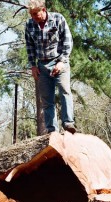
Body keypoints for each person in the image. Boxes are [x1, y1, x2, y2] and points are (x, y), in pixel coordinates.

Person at [25, 0, 75, 134]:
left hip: (59, 61)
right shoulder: (29, 25)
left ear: (44, 9)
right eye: (32, 14)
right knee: (46, 99)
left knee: (65, 90)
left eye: (36, 13)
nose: (34, 17)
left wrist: (62, 61)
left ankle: (68, 123)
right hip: (41, 65)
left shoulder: (58, 19)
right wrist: (33, 66)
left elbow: (68, 41)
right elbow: (29, 47)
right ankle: (52, 129)